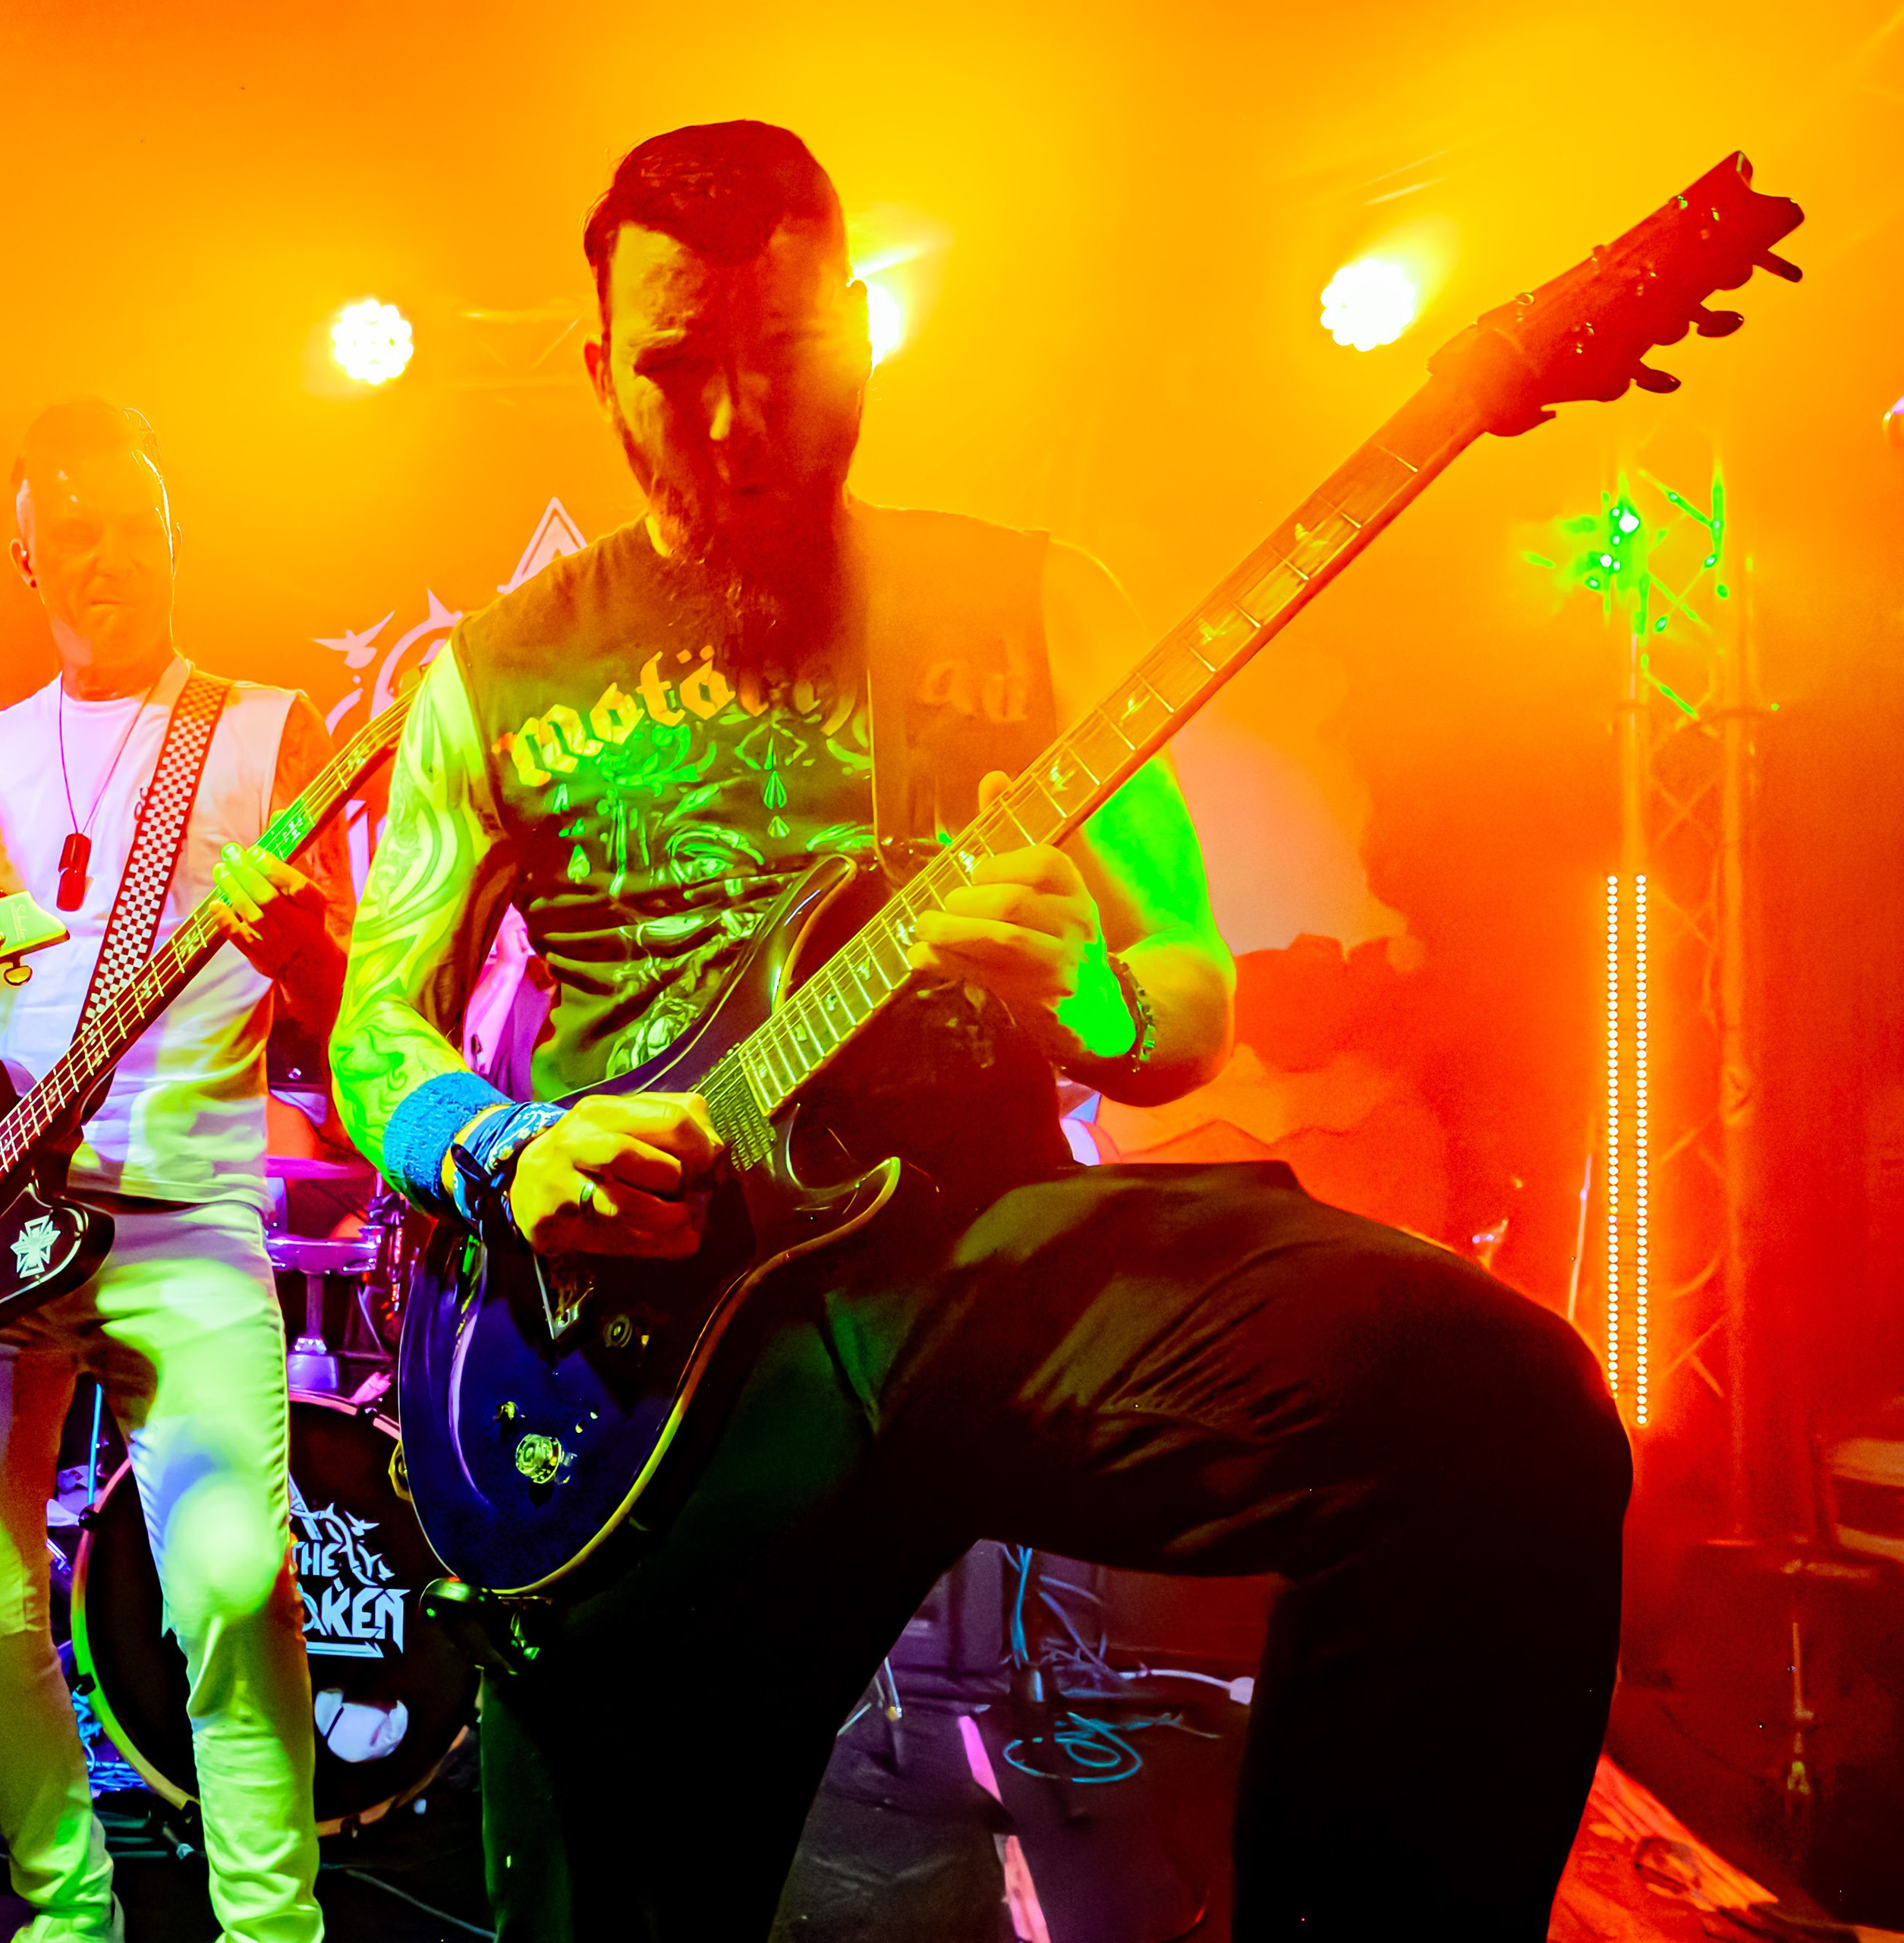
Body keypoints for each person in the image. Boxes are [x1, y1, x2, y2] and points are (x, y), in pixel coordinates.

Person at [327, 121, 1630, 1941]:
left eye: (781, 357)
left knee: (1497, 1414)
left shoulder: (1028, 600)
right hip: (650, 1358)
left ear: (859, 332)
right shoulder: (490, 675)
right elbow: (374, 1030)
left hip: (987, 1261)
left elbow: (1183, 994)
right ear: (599, 363)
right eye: (677, 370)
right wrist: (506, 1149)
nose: (731, 425)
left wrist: (1082, 995)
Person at [0, 400, 346, 1943]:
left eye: (140, 523)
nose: (115, 554)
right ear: (28, 559)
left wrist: (304, 948)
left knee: (233, 1580)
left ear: (177, 537)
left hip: (186, 1214)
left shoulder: (269, 729)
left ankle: (272, 1925)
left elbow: (348, 1016)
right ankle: (67, 1905)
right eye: (78, 530)